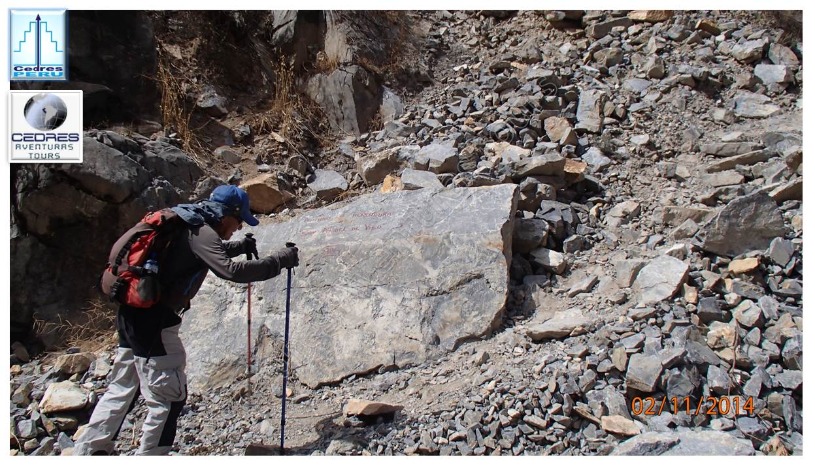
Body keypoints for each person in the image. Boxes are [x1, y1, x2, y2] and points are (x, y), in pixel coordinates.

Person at [73, 184, 299, 456]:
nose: (239, 227)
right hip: (155, 323)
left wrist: (238, 247)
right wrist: (279, 261)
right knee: (169, 398)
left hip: (131, 315)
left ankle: (90, 451)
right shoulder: (202, 231)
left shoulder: (187, 219)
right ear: (226, 214)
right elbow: (231, 272)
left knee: (123, 387)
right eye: (239, 220)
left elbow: (192, 253)